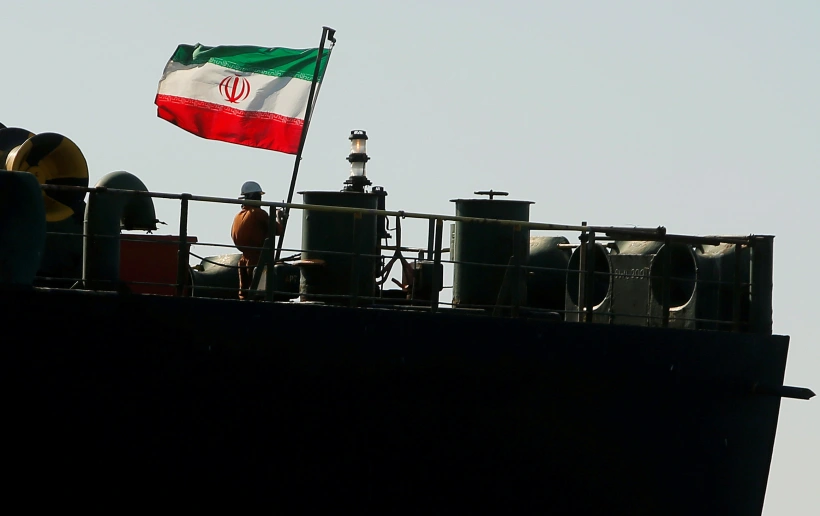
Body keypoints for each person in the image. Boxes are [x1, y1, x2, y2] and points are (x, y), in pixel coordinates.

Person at [231, 181, 283, 300]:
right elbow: (279, 230)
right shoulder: (259, 214)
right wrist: (279, 217)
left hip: (243, 260)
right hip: (257, 260)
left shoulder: (238, 216)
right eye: (258, 197)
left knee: (244, 294)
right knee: (260, 294)